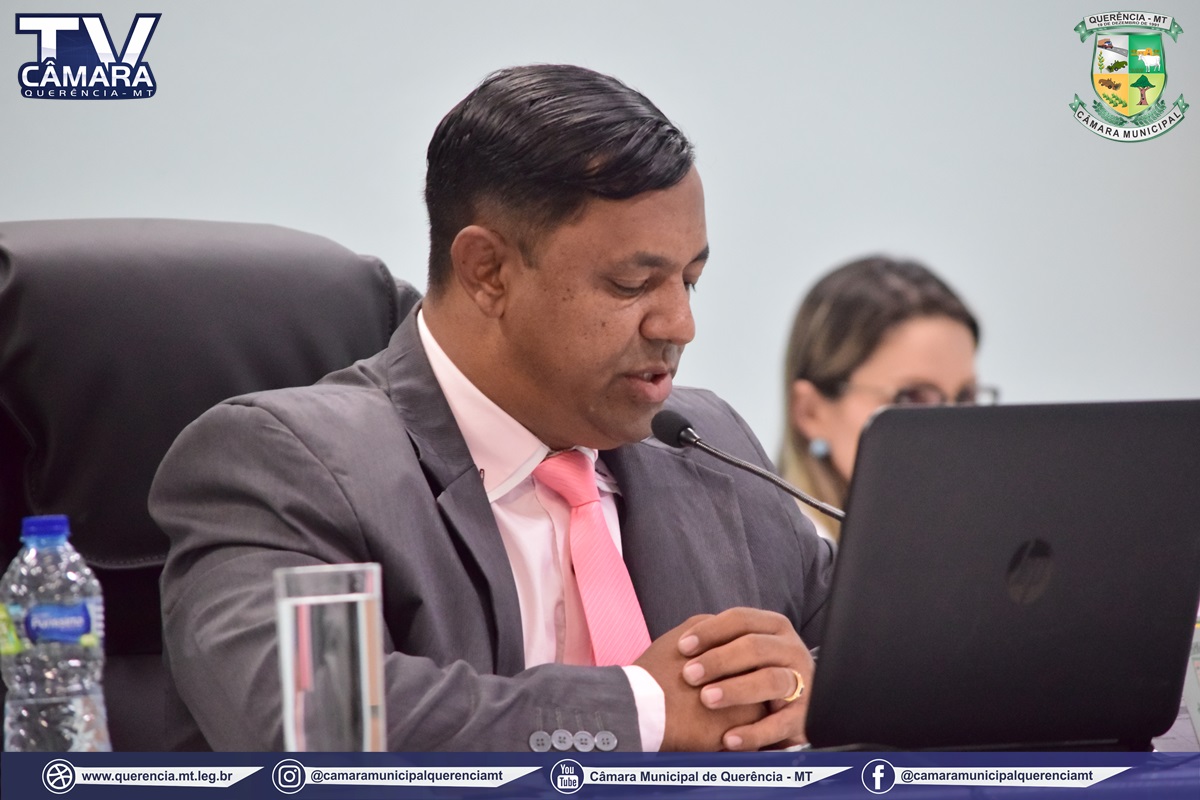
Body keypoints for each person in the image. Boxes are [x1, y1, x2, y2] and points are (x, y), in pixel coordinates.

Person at [150, 64, 834, 752]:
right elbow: (320, 725)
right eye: (633, 283)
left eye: (690, 281)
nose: (680, 325)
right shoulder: (288, 468)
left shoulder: (710, 444)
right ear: (488, 271)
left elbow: (862, 660)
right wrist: (643, 711)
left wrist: (808, 691)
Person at [779, 256, 994, 541]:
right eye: (913, 398)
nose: (955, 431)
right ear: (810, 412)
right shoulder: (773, 559)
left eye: (967, 397)